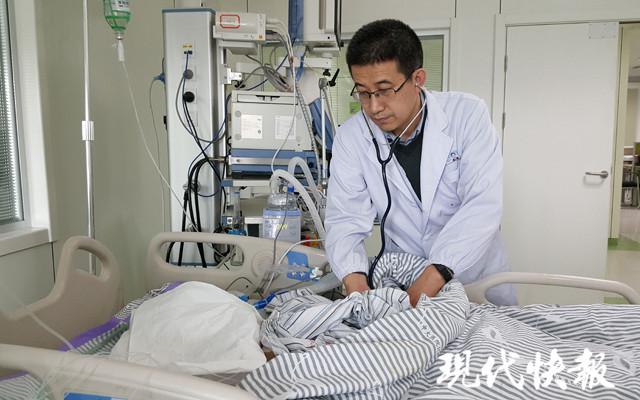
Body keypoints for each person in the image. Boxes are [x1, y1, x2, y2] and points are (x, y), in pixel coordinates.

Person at [325, 19, 516, 306]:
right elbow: (345, 220)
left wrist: (431, 280)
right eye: (363, 92)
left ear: (418, 79)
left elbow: (482, 204)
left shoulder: (466, 115)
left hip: (472, 278)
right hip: (404, 278)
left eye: (384, 90)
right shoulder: (351, 137)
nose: (374, 107)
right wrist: (358, 290)